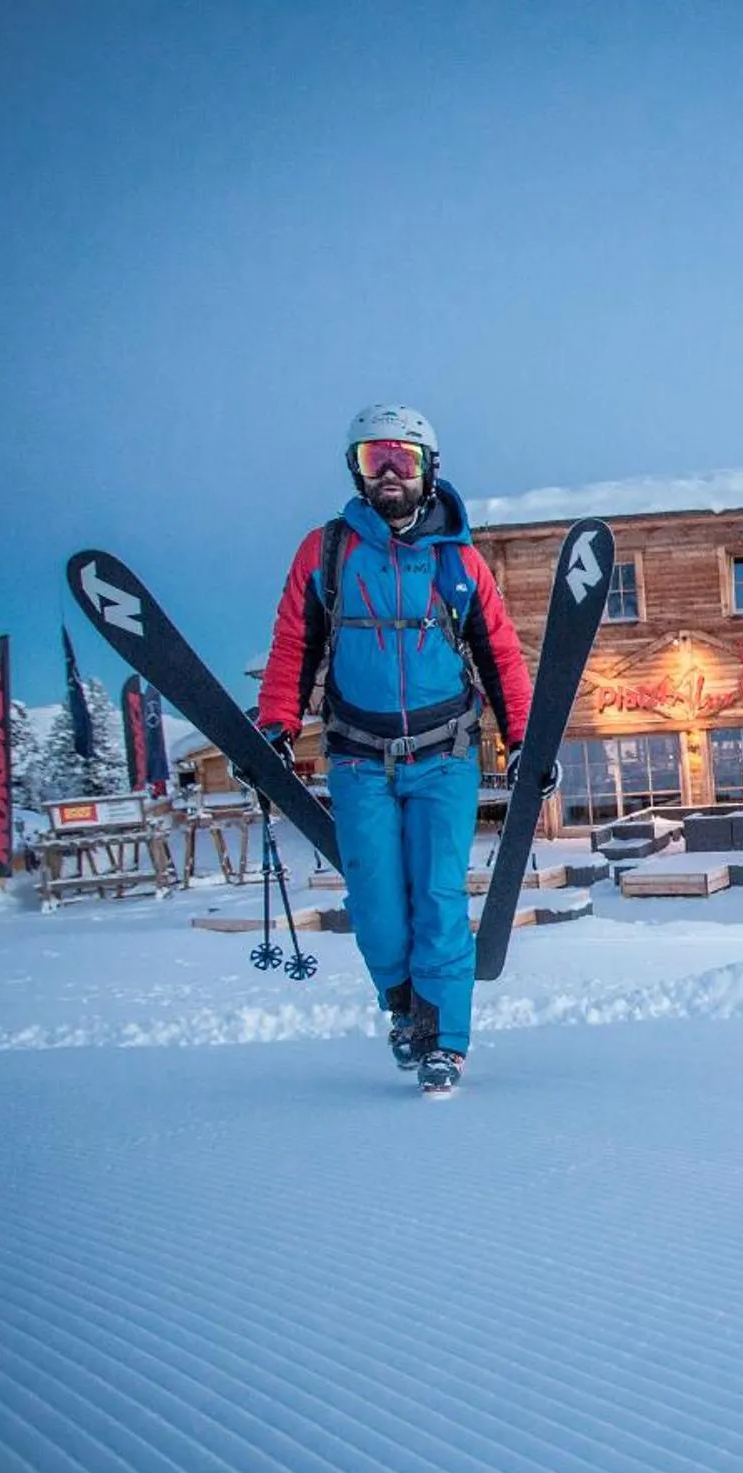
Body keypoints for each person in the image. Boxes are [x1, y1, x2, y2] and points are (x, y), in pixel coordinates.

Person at [257, 404, 533, 1095]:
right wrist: (275, 725)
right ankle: (405, 1007)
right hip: (357, 758)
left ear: (428, 469)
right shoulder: (324, 554)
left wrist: (525, 735)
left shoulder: (459, 561)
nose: (387, 473)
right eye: (373, 457)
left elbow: (499, 651)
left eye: (401, 459)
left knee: (438, 896)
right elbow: (295, 644)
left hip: (445, 756)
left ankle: (445, 1038)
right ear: (355, 468)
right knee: (377, 905)